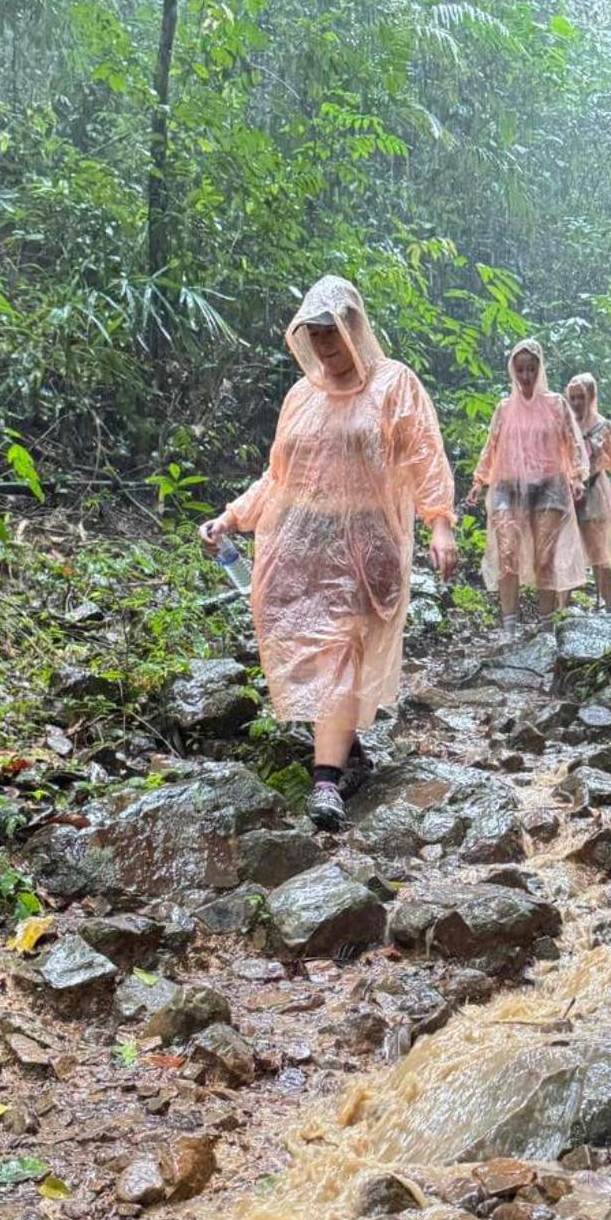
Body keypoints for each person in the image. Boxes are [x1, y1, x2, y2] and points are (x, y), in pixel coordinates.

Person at [199, 276, 457, 832]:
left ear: (354, 326)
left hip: (368, 547)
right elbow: (279, 477)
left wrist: (440, 523)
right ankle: (349, 751)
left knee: (338, 648)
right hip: (302, 546)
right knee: (311, 653)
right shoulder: (301, 396)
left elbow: (424, 457)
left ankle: (324, 782)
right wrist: (232, 517)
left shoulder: (393, 384)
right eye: (313, 334)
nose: (322, 345)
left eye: (330, 332)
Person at [471, 339, 588, 639]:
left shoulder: (556, 404)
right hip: (508, 486)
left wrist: (577, 476)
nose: (526, 376)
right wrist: (479, 480)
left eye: (531, 369)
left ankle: (546, 626)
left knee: (544, 556)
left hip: (549, 485)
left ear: (540, 369)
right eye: (520, 369)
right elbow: (492, 446)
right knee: (507, 553)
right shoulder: (504, 408)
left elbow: (571, 442)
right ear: (513, 370)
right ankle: (509, 628)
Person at [564, 371, 611, 610]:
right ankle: (562, 608)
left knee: (599, 551)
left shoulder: (604, 427)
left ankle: (609, 606)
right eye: (572, 397)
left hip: (595, 491)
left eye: (581, 397)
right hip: (567, 492)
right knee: (567, 550)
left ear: (591, 397)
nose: (576, 402)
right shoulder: (563, 424)